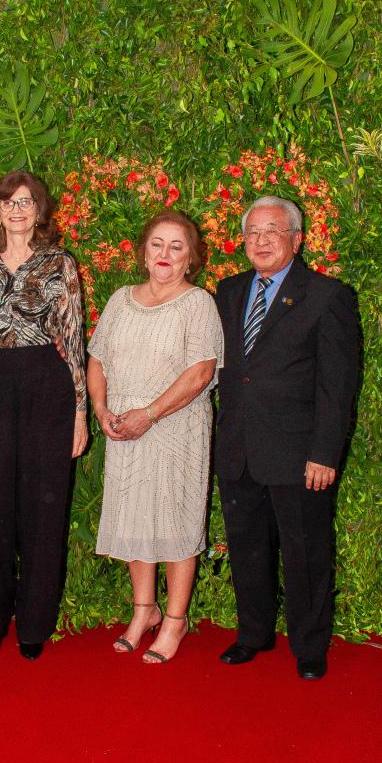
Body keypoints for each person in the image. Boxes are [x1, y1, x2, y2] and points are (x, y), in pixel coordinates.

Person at [215, 195, 359, 679]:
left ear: (296, 240)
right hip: (238, 447)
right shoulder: (229, 291)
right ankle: (253, 634)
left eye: (272, 231)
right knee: (247, 548)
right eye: (252, 232)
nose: (260, 241)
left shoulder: (327, 296)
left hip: (299, 454)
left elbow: (337, 386)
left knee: (306, 552)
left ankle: (310, 645)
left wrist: (325, 453)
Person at [87, 212, 224, 664]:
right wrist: (102, 410)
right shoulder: (120, 300)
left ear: (191, 259)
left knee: (176, 521)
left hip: (175, 429)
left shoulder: (198, 304)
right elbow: (97, 360)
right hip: (125, 430)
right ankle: (144, 610)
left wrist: (149, 414)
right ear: (144, 253)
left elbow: (201, 372)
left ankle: (175, 620)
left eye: (176, 246)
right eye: (157, 244)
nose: (165, 254)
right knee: (135, 519)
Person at [0, 171, 88, 660]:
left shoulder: (60, 262)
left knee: (44, 507)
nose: (16, 210)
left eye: (26, 202)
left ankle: (35, 623)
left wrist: (80, 412)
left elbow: (74, 338)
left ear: (40, 211)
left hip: (47, 383)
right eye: (8, 202)